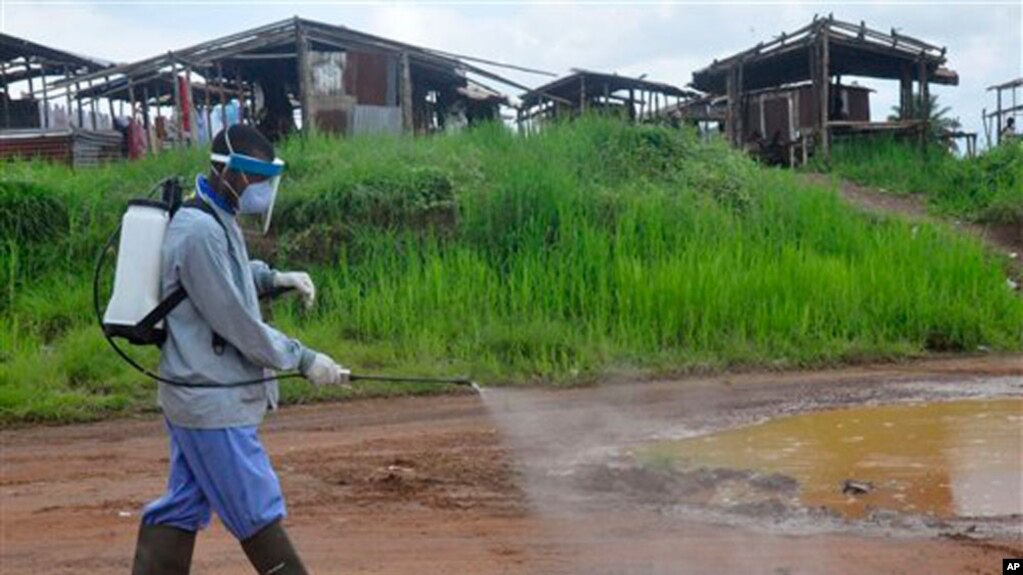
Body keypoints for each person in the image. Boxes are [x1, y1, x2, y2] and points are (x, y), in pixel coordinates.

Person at [130, 124, 345, 575]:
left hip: (200, 393)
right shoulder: (198, 231)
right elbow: (236, 322)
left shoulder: (214, 215)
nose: (264, 190)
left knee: (182, 505)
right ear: (234, 174)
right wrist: (304, 359)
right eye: (259, 179)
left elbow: (226, 279)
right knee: (255, 509)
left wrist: (271, 278)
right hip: (212, 398)